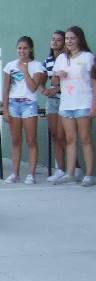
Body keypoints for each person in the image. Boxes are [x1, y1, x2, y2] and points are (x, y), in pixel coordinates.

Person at [52, 26, 95, 186]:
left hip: (83, 103)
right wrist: (58, 75)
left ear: (79, 39)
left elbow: (94, 82)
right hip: (66, 104)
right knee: (70, 139)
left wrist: (94, 105)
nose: (69, 41)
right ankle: (70, 173)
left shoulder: (88, 57)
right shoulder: (61, 58)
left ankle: (89, 175)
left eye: (72, 38)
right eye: (67, 38)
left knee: (85, 139)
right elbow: (55, 82)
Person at [2, 36, 45, 184]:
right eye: (19, 48)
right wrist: (5, 109)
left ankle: (31, 174)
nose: (22, 51)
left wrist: (25, 70)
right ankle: (15, 173)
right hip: (14, 104)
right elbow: (6, 88)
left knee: (31, 140)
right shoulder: (10, 66)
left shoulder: (37, 66)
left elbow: (33, 88)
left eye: (25, 48)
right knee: (16, 141)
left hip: (29, 105)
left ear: (30, 49)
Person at [41, 31, 69, 181]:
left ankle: (73, 167)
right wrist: (44, 90)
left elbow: (69, 80)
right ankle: (60, 169)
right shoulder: (48, 61)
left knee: (62, 135)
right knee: (55, 135)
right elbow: (42, 80)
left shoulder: (68, 59)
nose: (55, 42)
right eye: (53, 39)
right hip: (52, 102)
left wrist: (56, 89)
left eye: (59, 40)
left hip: (66, 100)